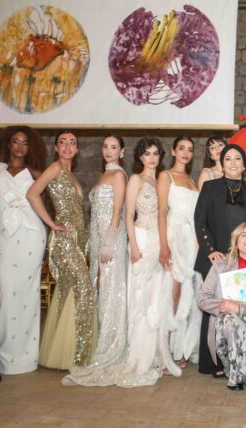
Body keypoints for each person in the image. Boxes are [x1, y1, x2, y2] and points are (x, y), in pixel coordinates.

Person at [194, 143, 246, 376]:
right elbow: (200, 220)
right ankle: (214, 362)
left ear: (244, 165)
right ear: (222, 163)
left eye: (238, 159)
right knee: (216, 309)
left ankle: (240, 358)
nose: (233, 163)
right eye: (228, 159)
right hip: (216, 258)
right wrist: (210, 250)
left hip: (243, 259)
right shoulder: (210, 187)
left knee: (239, 308)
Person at [62, 135, 128, 386]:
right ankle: (100, 340)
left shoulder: (118, 175)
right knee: (101, 290)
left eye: (114, 147)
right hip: (99, 241)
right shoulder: (104, 175)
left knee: (110, 292)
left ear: (122, 152)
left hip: (111, 243)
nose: (108, 151)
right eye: (105, 146)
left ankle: (111, 345)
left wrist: (108, 243)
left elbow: (117, 211)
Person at [27, 131, 94, 370]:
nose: (67, 146)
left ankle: (63, 353)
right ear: (56, 147)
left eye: (72, 143)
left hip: (78, 239)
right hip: (64, 240)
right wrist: (52, 224)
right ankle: (80, 355)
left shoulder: (71, 173)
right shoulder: (55, 168)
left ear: (77, 149)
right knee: (84, 288)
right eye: (62, 142)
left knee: (68, 291)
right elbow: (32, 194)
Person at [0, 125, 47, 375]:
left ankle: (27, 357)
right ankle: (6, 353)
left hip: (32, 234)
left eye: (25, 143)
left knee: (28, 293)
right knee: (8, 293)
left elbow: (59, 195)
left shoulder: (37, 172)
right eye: (16, 141)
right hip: (6, 237)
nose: (20, 146)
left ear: (31, 147)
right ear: (8, 144)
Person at [119, 137, 181, 386]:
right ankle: (137, 353)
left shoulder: (161, 181)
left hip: (159, 240)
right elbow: (128, 215)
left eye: (156, 153)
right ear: (140, 157)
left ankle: (155, 353)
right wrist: (133, 246)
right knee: (140, 297)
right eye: (147, 153)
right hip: (141, 239)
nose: (152, 158)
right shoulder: (136, 179)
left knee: (157, 297)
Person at [196, 222, 246, 390]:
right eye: (244, 235)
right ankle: (241, 370)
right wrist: (226, 305)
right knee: (228, 318)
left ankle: (237, 374)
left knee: (232, 318)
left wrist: (240, 309)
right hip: (224, 332)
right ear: (236, 240)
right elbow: (202, 298)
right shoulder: (220, 266)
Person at [157, 136, 202, 368]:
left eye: (190, 149)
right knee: (172, 292)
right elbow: (161, 211)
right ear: (173, 151)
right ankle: (164, 351)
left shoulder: (193, 181)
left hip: (191, 240)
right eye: (181, 148)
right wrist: (164, 245)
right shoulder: (166, 176)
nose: (186, 153)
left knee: (189, 294)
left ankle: (180, 349)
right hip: (174, 236)